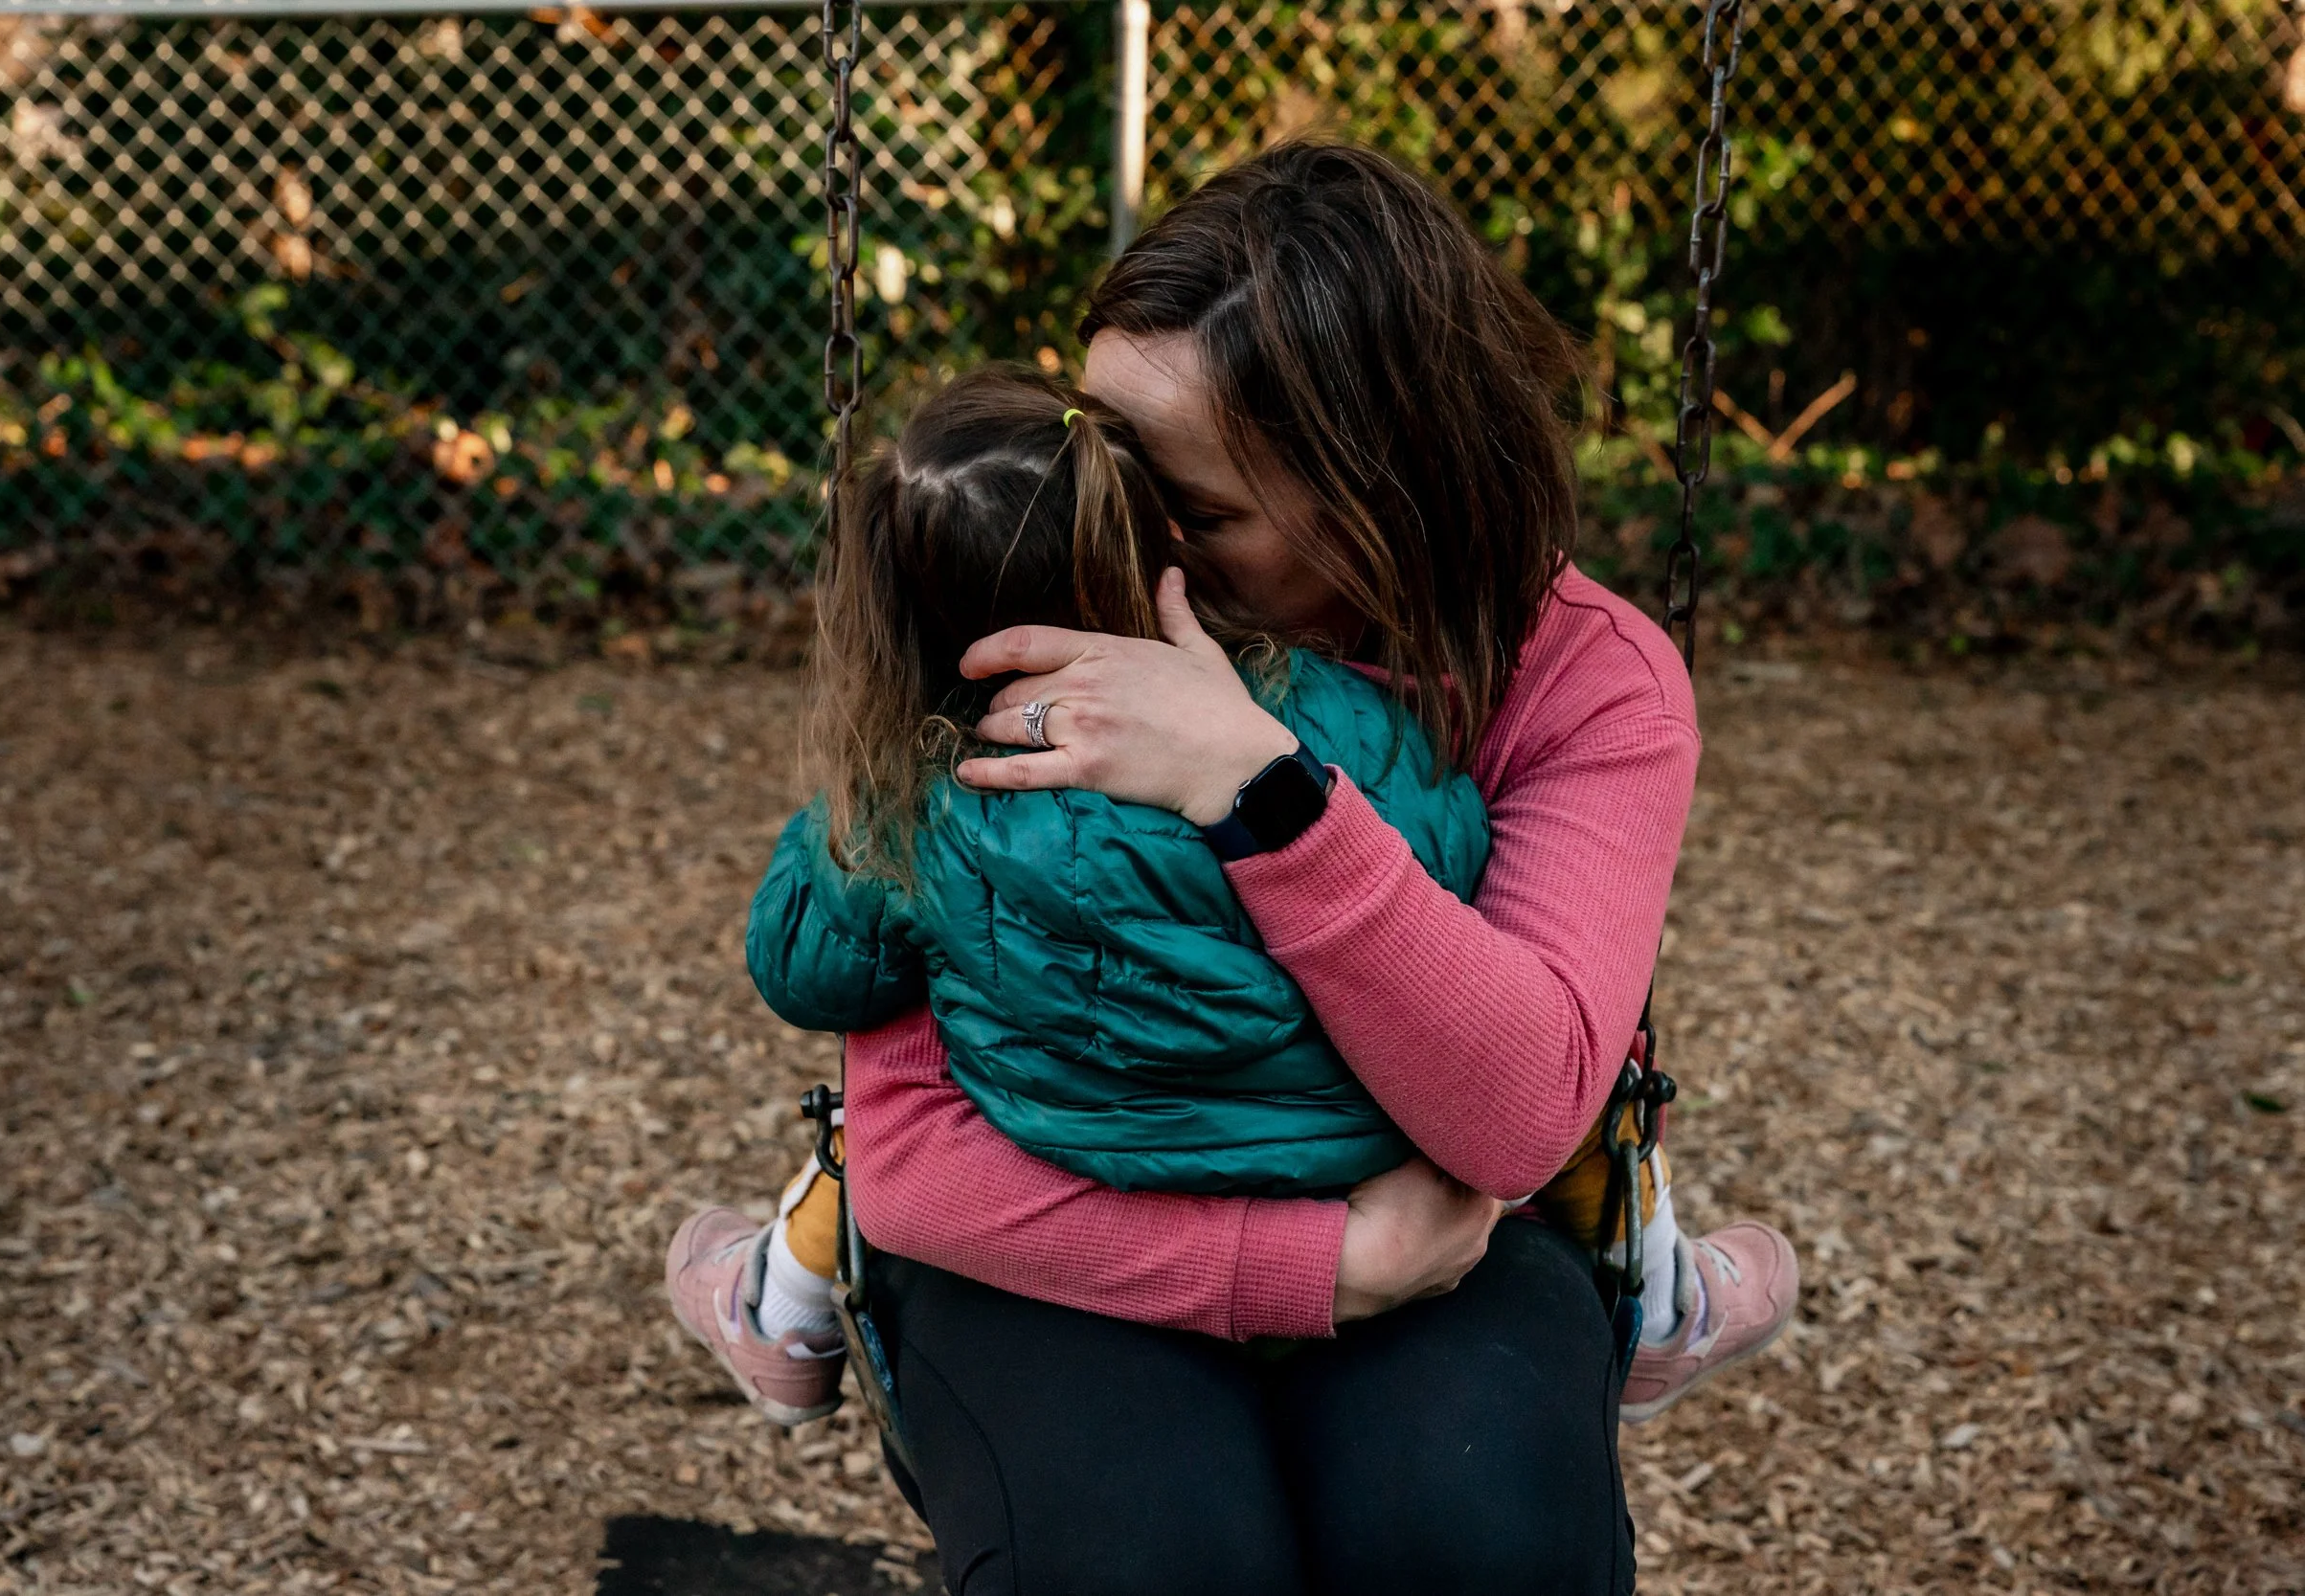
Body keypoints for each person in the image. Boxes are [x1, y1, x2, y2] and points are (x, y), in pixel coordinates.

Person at [673, 144, 1797, 1594]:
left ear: (1385, 490)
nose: (1126, 543)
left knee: (1479, 1536)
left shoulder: (1590, 682)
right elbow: (912, 1159)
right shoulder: (1043, 642)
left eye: (1190, 512)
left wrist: (1257, 789)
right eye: (1104, 459)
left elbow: (1520, 1111)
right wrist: (1318, 1263)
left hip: (1450, 1222)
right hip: (1068, 1221)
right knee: (1150, 1562)